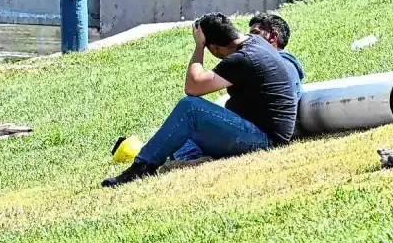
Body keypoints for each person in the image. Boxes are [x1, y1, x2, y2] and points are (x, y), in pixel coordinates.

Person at [102, 13, 298, 188]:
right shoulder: (256, 43)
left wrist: (198, 47)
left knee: (190, 108)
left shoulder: (244, 57)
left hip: (265, 140)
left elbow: (192, 88)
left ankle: (142, 167)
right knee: (183, 126)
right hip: (257, 131)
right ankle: (169, 158)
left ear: (214, 47)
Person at [248, 12, 305, 98]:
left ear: (273, 37)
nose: (249, 38)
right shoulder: (283, 64)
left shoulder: (278, 66)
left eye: (255, 33)